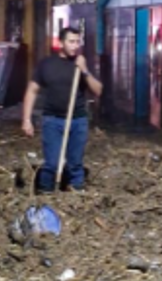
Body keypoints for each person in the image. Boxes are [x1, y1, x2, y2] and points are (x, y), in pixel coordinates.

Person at [21, 27, 103, 192]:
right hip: (53, 120)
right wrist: (26, 119)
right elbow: (32, 91)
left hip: (78, 120)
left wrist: (85, 71)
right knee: (51, 162)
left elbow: (98, 90)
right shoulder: (47, 64)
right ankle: (46, 191)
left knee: (75, 163)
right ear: (60, 43)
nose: (75, 46)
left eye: (77, 42)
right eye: (71, 41)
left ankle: (76, 190)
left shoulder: (81, 64)